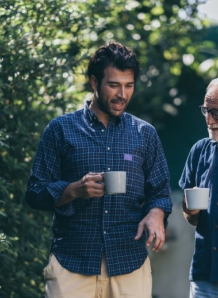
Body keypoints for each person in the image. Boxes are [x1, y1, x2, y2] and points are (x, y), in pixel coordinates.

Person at [25, 42, 172, 298]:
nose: (122, 94)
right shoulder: (61, 130)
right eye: (114, 85)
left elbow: (160, 191)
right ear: (94, 82)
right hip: (72, 264)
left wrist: (157, 213)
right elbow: (35, 192)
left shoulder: (144, 134)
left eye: (129, 86)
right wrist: (73, 190)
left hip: (129, 262)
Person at [179, 78, 218, 298]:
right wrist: (190, 209)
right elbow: (192, 218)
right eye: (206, 111)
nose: (209, 120)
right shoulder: (199, 151)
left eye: (217, 113)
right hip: (204, 276)